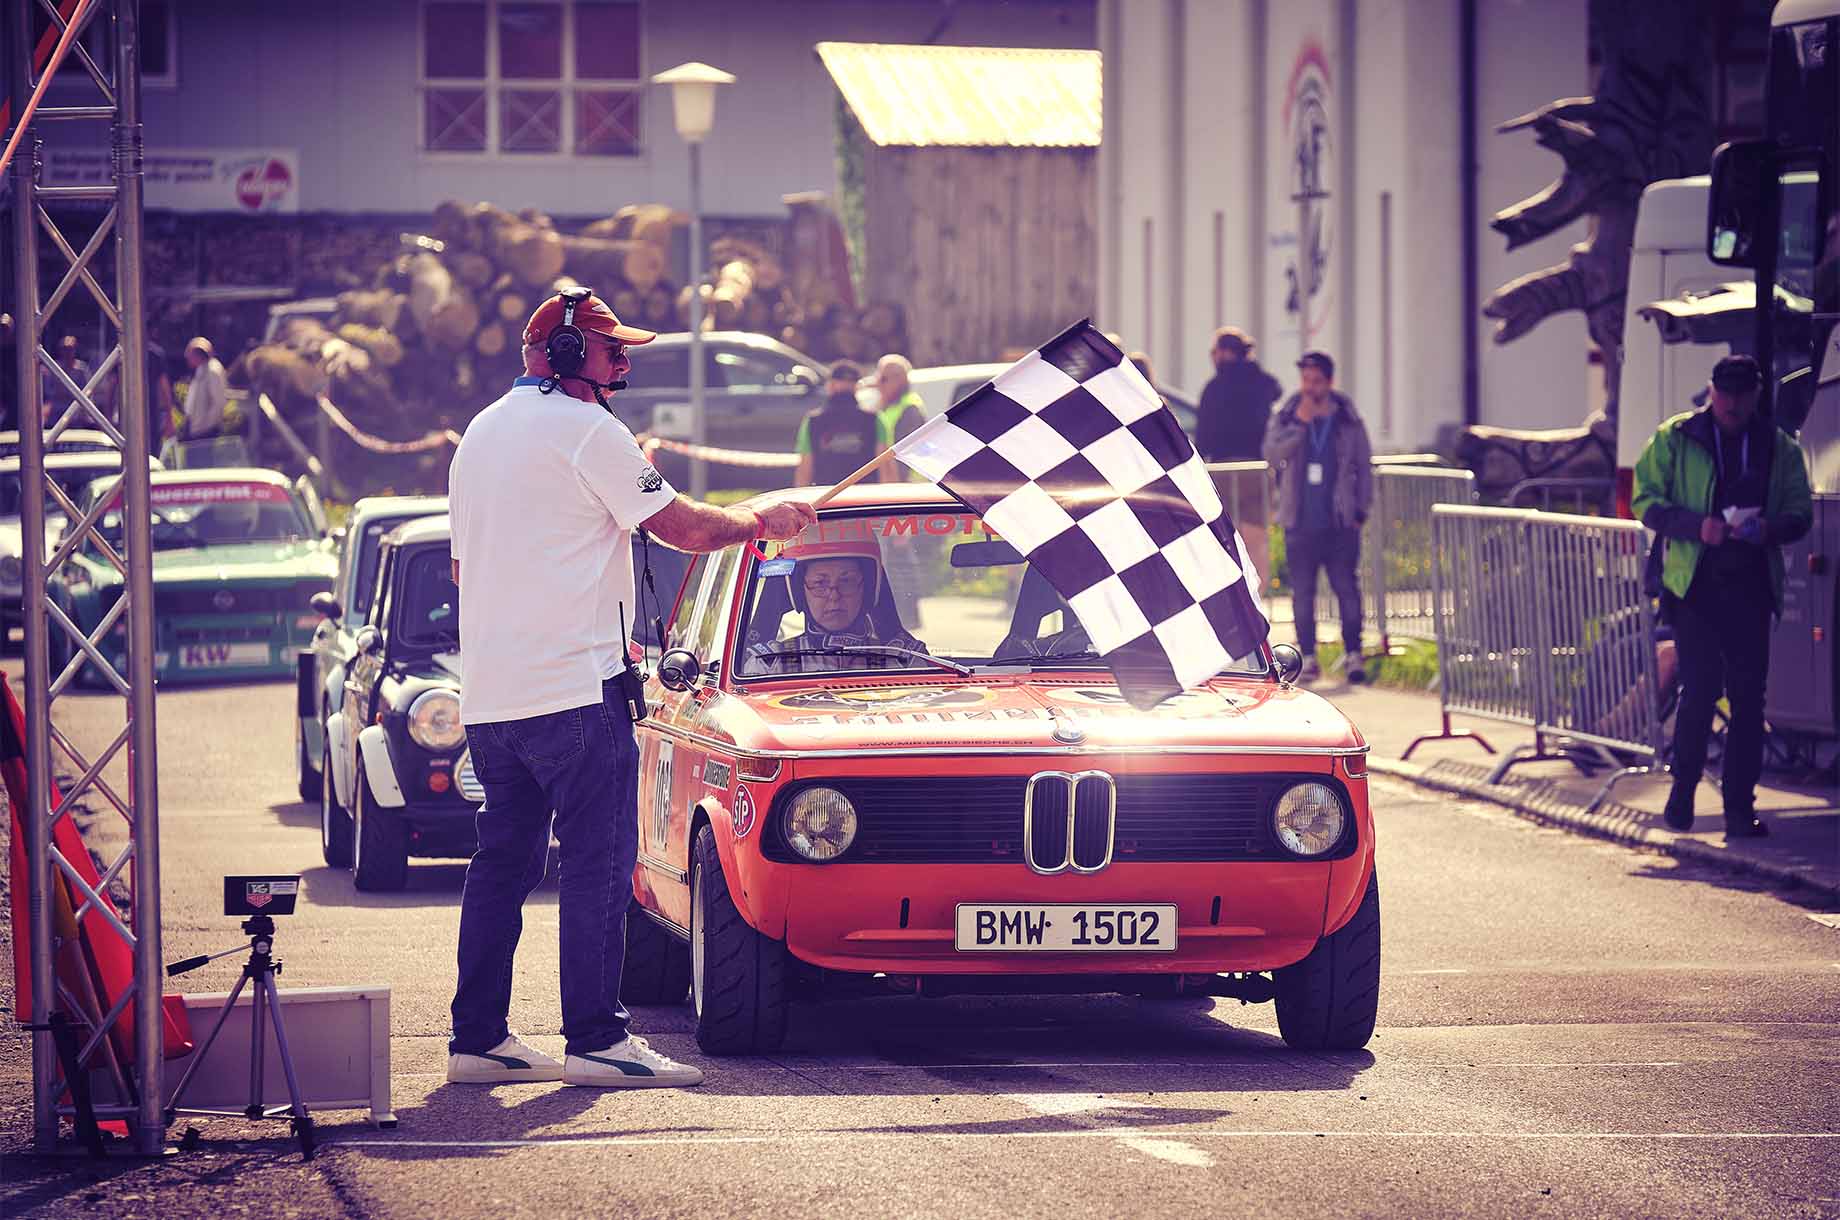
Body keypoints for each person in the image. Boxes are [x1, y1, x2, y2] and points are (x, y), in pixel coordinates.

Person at [445, 289, 815, 1089]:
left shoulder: (479, 434)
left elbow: (463, 569)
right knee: (597, 867)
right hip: (575, 690)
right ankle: (597, 1041)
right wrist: (765, 518)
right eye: (615, 353)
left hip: (492, 697)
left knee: (501, 865)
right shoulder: (589, 430)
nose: (625, 367)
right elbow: (685, 530)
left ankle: (477, 1037)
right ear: (572, 355)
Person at [1632, 353, 1812, 837]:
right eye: (1724, 393)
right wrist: (1697, 527)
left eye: (1742, 395)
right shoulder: (1677, 437)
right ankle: (1682, 794)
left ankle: (1739, 809)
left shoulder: (1778, 446)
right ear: (1711, 391)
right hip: (1694, 585)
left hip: (1752, 585)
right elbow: (1644, 499)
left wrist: (1769, 528)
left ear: (1756, 395)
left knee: (1750, 700)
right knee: (1701, 689)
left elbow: (1801, 511)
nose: (1732, 404)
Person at [1262, 350, 1374, 683]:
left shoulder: (1347, 418)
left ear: (1329, 381)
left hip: (1340, 523)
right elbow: (1271, 453)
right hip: (1300, 521)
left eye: (1316, 381)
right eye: (1305, 380)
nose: (1309, 387)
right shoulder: (1287, 415)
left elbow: (1364, 467)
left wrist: (1361, 510)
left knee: (1346, 588)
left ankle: (1354, 654)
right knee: (1303, 592)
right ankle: (1308, 658)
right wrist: (1301, 424)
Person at [745, 532, 928, 673]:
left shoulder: (906, 661)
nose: (834, 596)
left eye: (846, 581)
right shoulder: (768, 665)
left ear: (869, 588)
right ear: (799, 592)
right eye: (820, 583)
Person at [1196, 327, 1282, 462]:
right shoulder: (1264, 382)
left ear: (1227, 352)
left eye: (1214, 352)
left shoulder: (1214, 388)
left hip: (1224, 463)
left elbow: (1204, 433)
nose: (1212, 357)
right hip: (1257, 462)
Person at [794, 361, 881, 487]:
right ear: (857, 387)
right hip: (864, 500)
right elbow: (886, 467)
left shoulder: (813, 421)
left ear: (830, 385)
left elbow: (805, 469)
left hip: (828, 501)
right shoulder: (875, 419)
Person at [872, 354, 925, 481]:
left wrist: (897, 488)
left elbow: (904, 455)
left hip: (907, 486)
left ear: (900, 380)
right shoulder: (887, 406)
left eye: (883, 379)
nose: (878, 383)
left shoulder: (909, 409)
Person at [180, 338, 229, 441]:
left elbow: (219, 403)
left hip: (206, 432)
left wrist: (206, 426)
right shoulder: (201, 368)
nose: (188, 358)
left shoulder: (213, 370)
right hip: (196, 429)